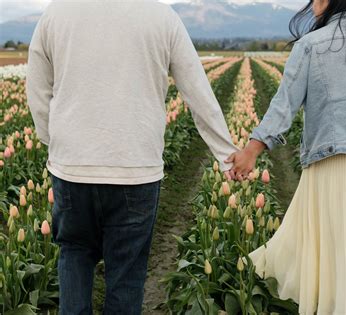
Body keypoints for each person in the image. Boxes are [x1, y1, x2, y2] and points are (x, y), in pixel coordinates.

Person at [26, 1, 237, 314]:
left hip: (72, 167)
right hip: (136, 169)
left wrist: (52, 139)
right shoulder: (162, 16)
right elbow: (198, 91)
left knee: (74, 253)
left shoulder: (57, 12)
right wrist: (226, 154)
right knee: (127, 271)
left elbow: (37, 88)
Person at [227, 0, 346, 314]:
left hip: (335, 161)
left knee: (337, 249)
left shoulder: (311, 45)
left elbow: (284, 107)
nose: (311, 7)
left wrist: (252, 150)